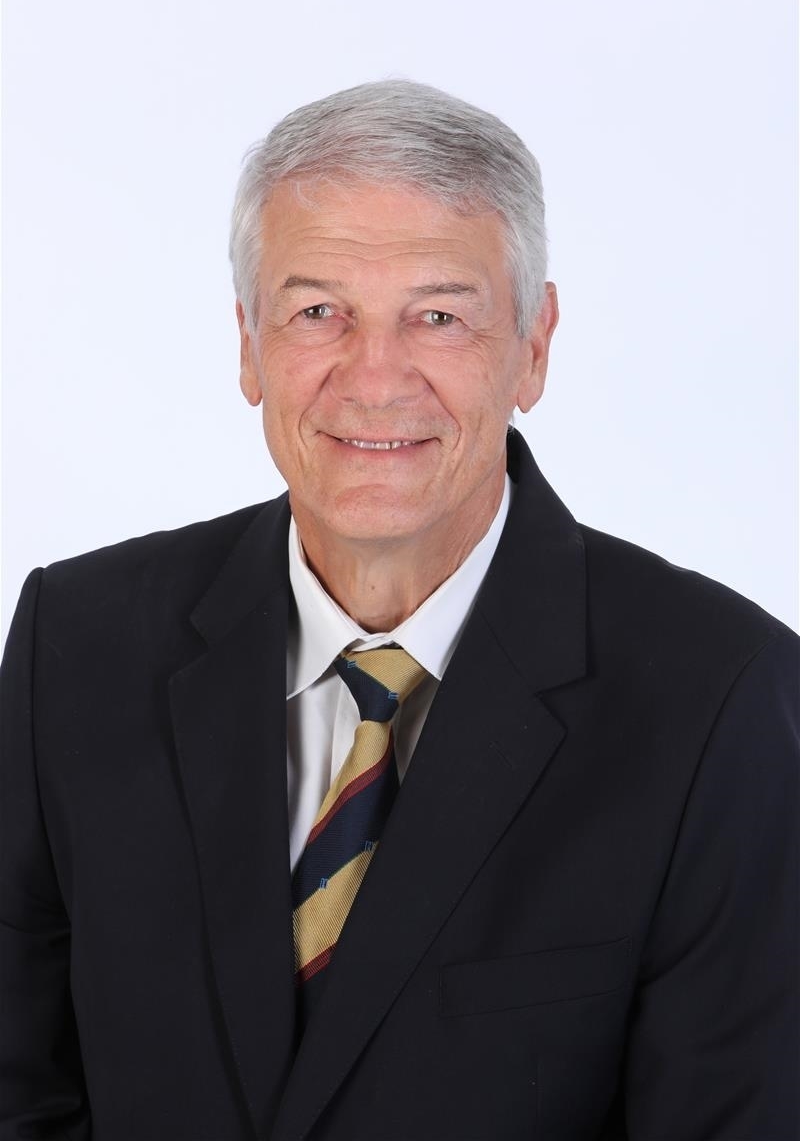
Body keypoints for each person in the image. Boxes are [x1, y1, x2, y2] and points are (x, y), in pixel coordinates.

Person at [1, 80, 797, 1141]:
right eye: (317, 312)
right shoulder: (76, 643)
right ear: (248, 343)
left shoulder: (720, 698)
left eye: (438, 316)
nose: (374, 380)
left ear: (534, 345)